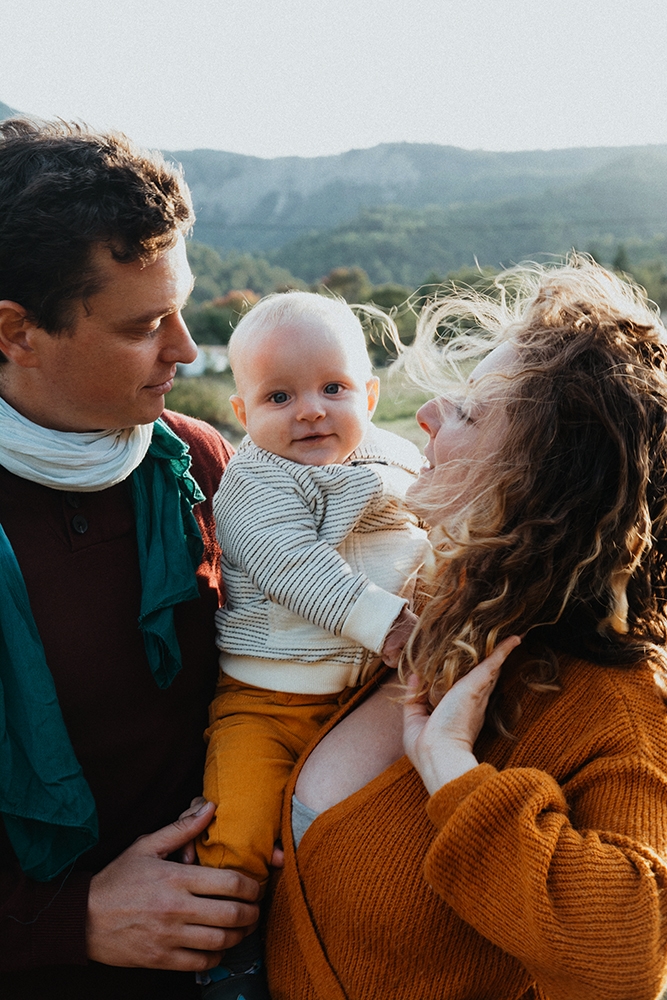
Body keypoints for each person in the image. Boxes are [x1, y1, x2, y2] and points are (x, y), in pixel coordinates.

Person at [266, 257, 667, 1000]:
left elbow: (625, 964)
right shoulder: (423, 602)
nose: (427, 412)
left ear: (540, 485)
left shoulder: (614, 706)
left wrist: (452, 769)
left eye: (471, 411)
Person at [0, 118, 261, 1000]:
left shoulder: (198, 463)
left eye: (182, 308)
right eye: (145, 324)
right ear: (15, 331)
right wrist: (71, 921)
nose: (186, 351)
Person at [197, 291, 429, 997]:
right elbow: (293, 565)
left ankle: (329, 949)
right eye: (278, 395)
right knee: (235, 833)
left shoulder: (396, 462)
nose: (309, 410)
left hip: (363, 698)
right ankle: (224, 957)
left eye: (333, 388)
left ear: (369, 391)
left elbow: (431, 531)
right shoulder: (254, 483)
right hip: (266, 704)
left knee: (352, 845)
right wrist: (394, 628)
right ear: (242, 414)